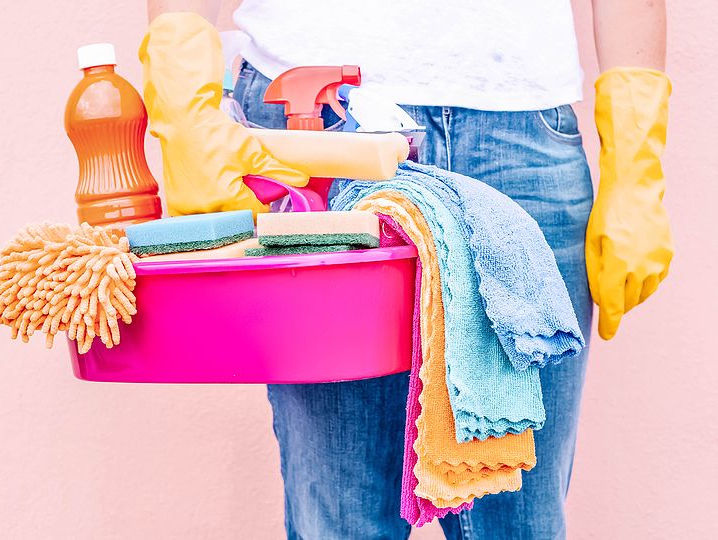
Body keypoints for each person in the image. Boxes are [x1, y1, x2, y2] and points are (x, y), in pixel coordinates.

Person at [141, 1, 673, 538]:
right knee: (343, 522)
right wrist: (184, 105)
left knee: (521, 522)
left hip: (520, 125)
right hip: (310, 129)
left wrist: (635, 165)